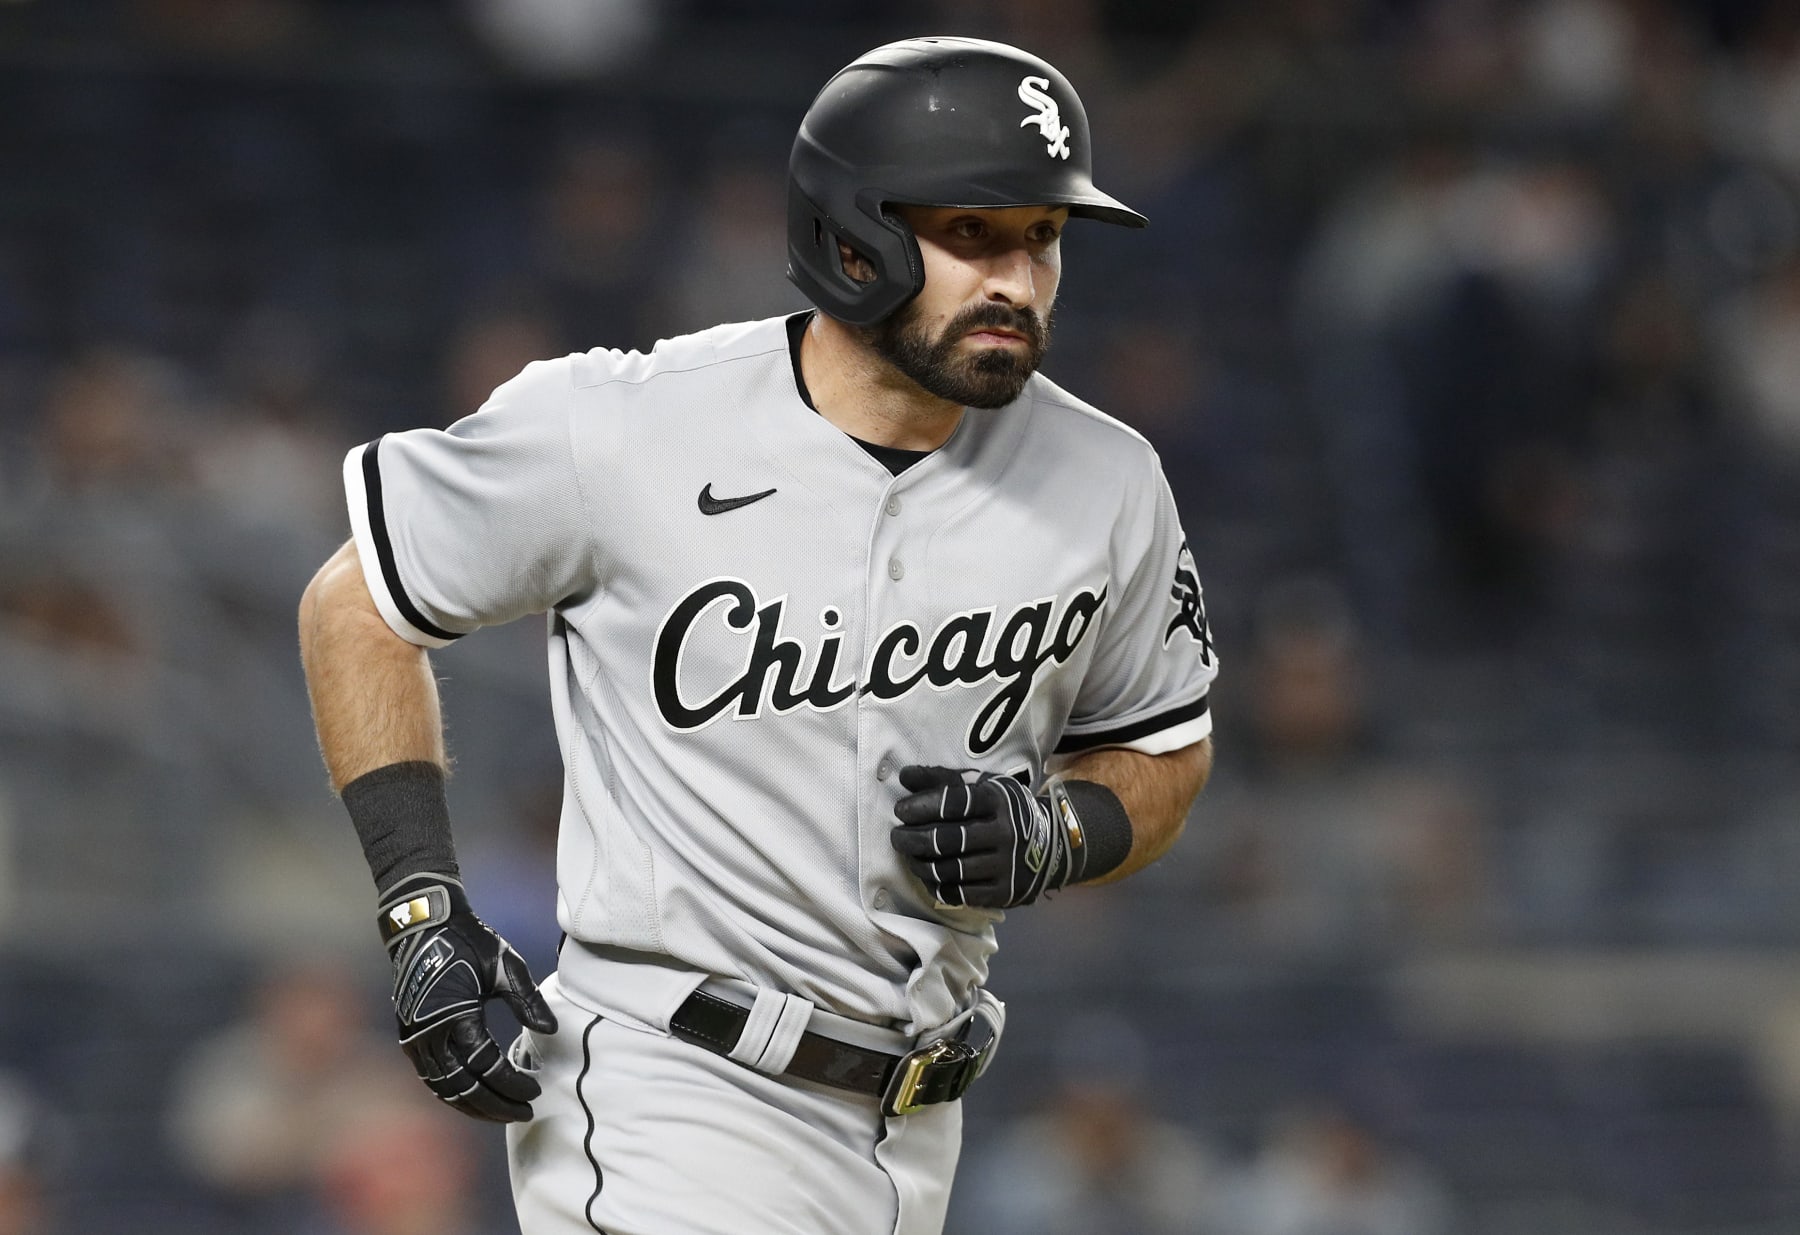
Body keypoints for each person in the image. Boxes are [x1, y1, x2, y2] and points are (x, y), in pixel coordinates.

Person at [298, 36, 1218, 1235]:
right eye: (971, 234)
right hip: (673, 1090)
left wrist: (1061, 829)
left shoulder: (1108, 478)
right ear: (852, 238)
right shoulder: (625, 424)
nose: (1019, 277)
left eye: (1041, 237)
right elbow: (356, 601)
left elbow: (1164, 748)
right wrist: (422, 907)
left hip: (918, 1120)